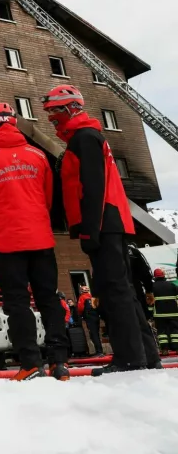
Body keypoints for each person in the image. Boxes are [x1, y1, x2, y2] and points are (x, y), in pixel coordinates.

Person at [42, 84, 161, 375]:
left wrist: (89, 230)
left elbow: (93, 187)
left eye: (54, 111)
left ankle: (130, 359)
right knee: (123, 290)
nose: (50, 118)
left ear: (70, 108)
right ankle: (145, 354)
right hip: (111, 221)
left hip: (103, 222)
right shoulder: (88, 136)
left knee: (112, 291)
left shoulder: (84, 138)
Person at [0, 102, 70, 380]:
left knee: (17, 302)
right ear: (14, 122)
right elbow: (47, 199)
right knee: (49, 299)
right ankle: (59, 363)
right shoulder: (37, 155)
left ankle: (30, 364)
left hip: (5, 243)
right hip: (40, 238)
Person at [151, 268, 178, 355]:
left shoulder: (152, 287)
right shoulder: (172, 285)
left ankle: (164, 349)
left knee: (162, 332)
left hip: (159, 314)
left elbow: (150, 302)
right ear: (164, 275)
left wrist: (150, 314)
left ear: (155, 277)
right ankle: (176, 348)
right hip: (174, 313)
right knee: (175, 331)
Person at [77, 286, 103, 355]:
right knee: (96, 334)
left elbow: (80, 308)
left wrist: (81, 316)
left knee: (93, 334)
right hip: (96, 317)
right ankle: (99, 350)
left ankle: (99, 351)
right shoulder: (92, 297)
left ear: (82, 291)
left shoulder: (82, 297)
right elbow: (97, 307)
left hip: (89, 318)